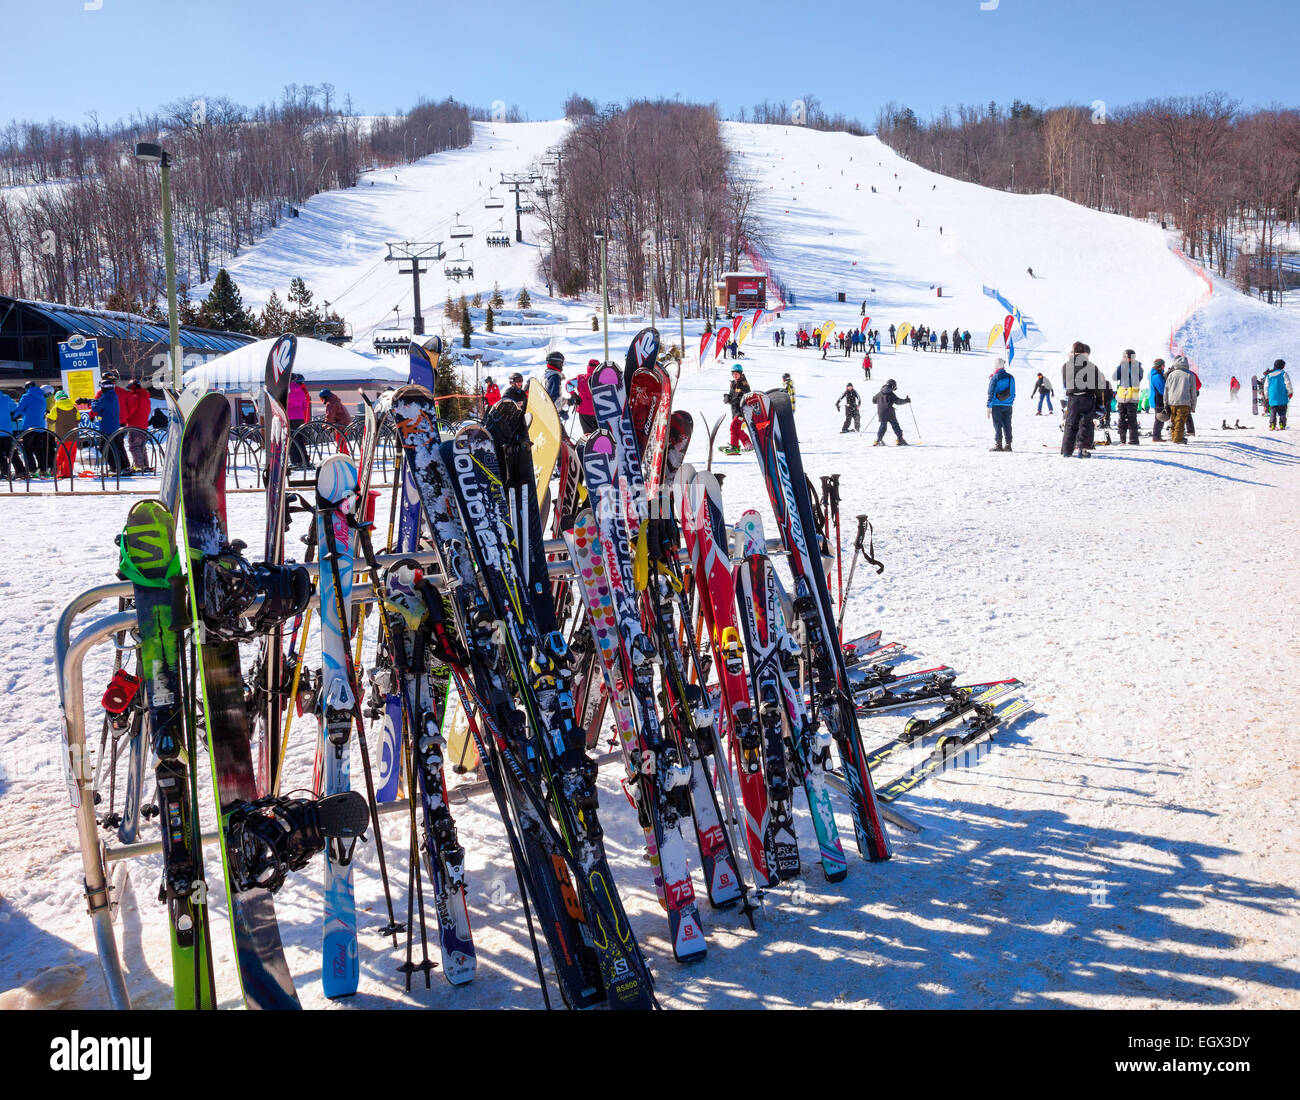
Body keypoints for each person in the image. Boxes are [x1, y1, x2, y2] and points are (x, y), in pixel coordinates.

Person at [1061, 341, 1105, 457]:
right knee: (1085, 424)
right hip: (1086, 397)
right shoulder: (1091, 366)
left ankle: (1066, 450)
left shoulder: (1066, 365)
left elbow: (1065, 382)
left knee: (1070, 424)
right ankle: (1082, 449)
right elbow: (1098, 386)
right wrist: (1100, 402)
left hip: (1072, 399)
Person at [91, 373, 125, 472]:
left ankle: (115, 467)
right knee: (117, 447)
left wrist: (92, 402)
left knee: (104, 448)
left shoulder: (105, 397)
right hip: (115, 426)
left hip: (106, 428)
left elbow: (95, 408)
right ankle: (122, 467)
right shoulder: (113, 396)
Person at [1163, 355, 1197, 443]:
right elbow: (1193, 392)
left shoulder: (1171, 374)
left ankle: (1175, 437)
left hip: (1172, 401)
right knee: (1180, 421)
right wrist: (1193, 406)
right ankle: (1178, 439)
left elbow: (1166, 390)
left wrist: (1165, 403)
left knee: (1174, 420)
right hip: (1185, 401)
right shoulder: (1190, 375)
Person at [47, 390, 79, 477]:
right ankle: (67, 473)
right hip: (73, 436)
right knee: (70, 455)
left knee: (60, 455)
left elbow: (50, 421)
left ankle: (56, 472)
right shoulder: (74, 408)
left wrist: (47, 415)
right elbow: (78, 419)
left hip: (61, 437)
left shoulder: (56, 408)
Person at [1114, 350, 1143, 445]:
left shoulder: (1138, 366)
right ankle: (1122, 440)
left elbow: (1137, 378)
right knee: (1121, 418)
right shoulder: (1122, 366)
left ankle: (1134, 440)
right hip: (1122, 395)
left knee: (1132, 418)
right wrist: (1120, 366)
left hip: (1132, 396)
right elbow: (1114, 377)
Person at [121, 380, 151, 470]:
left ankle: (139, 466)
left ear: (132, 387)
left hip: (134, 425)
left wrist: (124, 417)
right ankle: (145, 465)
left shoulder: (135, 397)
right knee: (141, 446)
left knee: (134, 447)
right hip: (144, 425)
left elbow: (131, 411)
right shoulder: (146, 397)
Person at [986, 358, 1015, 451]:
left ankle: (998, 444)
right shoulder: (1011, 377)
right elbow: (1013, 392)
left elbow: (991, 392)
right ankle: (1008, 445)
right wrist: (1010, 401)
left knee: (997, 425)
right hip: (1008, 405)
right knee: (1007, 424)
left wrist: (989, 406)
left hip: (996, 405)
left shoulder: (995, 378)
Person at [872, 379, 910, 446]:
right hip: (889, 412)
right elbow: (898, 401)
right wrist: (906, 400)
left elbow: (873, 400)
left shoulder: (880, 393)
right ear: (892, 386)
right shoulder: (891, 394)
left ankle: (878, 440)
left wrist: (880, 401)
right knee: (895, 425)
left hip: (881, 412)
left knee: (883, 427)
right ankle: (900, 440)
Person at [0, 388, 25, 480]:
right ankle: (21, 471)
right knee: (11, 452)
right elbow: (14, 409)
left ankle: (5, 473)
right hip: (7, 431)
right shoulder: (6, 398)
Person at [287, 373, 310, 467]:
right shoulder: (300, 389)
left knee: (291, 440)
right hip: (300, 417)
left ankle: (295, 461)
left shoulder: (287, 389)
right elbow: (305, 405)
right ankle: (305, 460)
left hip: (290, 416)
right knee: (300, 439)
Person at [1263, 358, 1292, 430]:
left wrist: (1267, 396)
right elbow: (1288, 384)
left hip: (1272, 396)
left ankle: (1272, 425)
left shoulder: (1269, 375)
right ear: (1282, 366)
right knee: (1282, 411)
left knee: (1273, 411)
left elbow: (1266, 387)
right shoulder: (1283, 373)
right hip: (1282, 396)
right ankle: (1282, 425)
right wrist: (1290, 392)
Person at [726, 365, 751, 449]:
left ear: (741, 374)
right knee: (739, 430)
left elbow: (745, 398)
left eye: (737, 373)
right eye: (733, 374)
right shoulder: (733, 383)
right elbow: (732, 395)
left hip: (742, 411)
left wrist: (735, 400)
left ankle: (734, 447)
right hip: (735, 410)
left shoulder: (744, 385)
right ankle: (749, 446)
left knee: (733, 428)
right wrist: (727, 397)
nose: (735, 375)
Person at [575, 360, 599, 433]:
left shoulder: (580, 378)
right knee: (600, 433)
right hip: (599, 411)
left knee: (588, 434)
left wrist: (574, 395)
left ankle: (590, 444)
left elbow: (568, 384)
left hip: (584, 410)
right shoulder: (601, 380)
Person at [1149, 359, 1167, 442]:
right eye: (1163, 365)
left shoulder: (1154, 374)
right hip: (1158, 399)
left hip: (1155, 399)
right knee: (1160, 418)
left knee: (1159, 418)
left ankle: (1157, 436)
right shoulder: (1157, 376)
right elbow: (1162, 390)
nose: (1164, 367)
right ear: (1159, 366)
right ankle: (1156, 437)